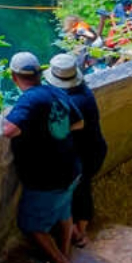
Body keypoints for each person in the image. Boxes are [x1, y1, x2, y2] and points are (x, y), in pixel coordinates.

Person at [1, 51, 88, 263]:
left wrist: (11, 120)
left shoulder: (29, 100)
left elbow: (8, 130)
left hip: (47, 178)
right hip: (71, 168)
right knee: (63, 213)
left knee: (31, 225)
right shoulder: (56, 92)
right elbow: (78, 123)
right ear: (40, 74)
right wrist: (50, 132)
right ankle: (64, 258)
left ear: (13, 76)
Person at [44, 52, 107, 249]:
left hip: (81, 155)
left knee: (76, 190)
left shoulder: (70, 103)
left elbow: (57, 131)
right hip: (96, 148)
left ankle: (78, 233)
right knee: (83, 188)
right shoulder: (84, 93)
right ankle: (82, 228)